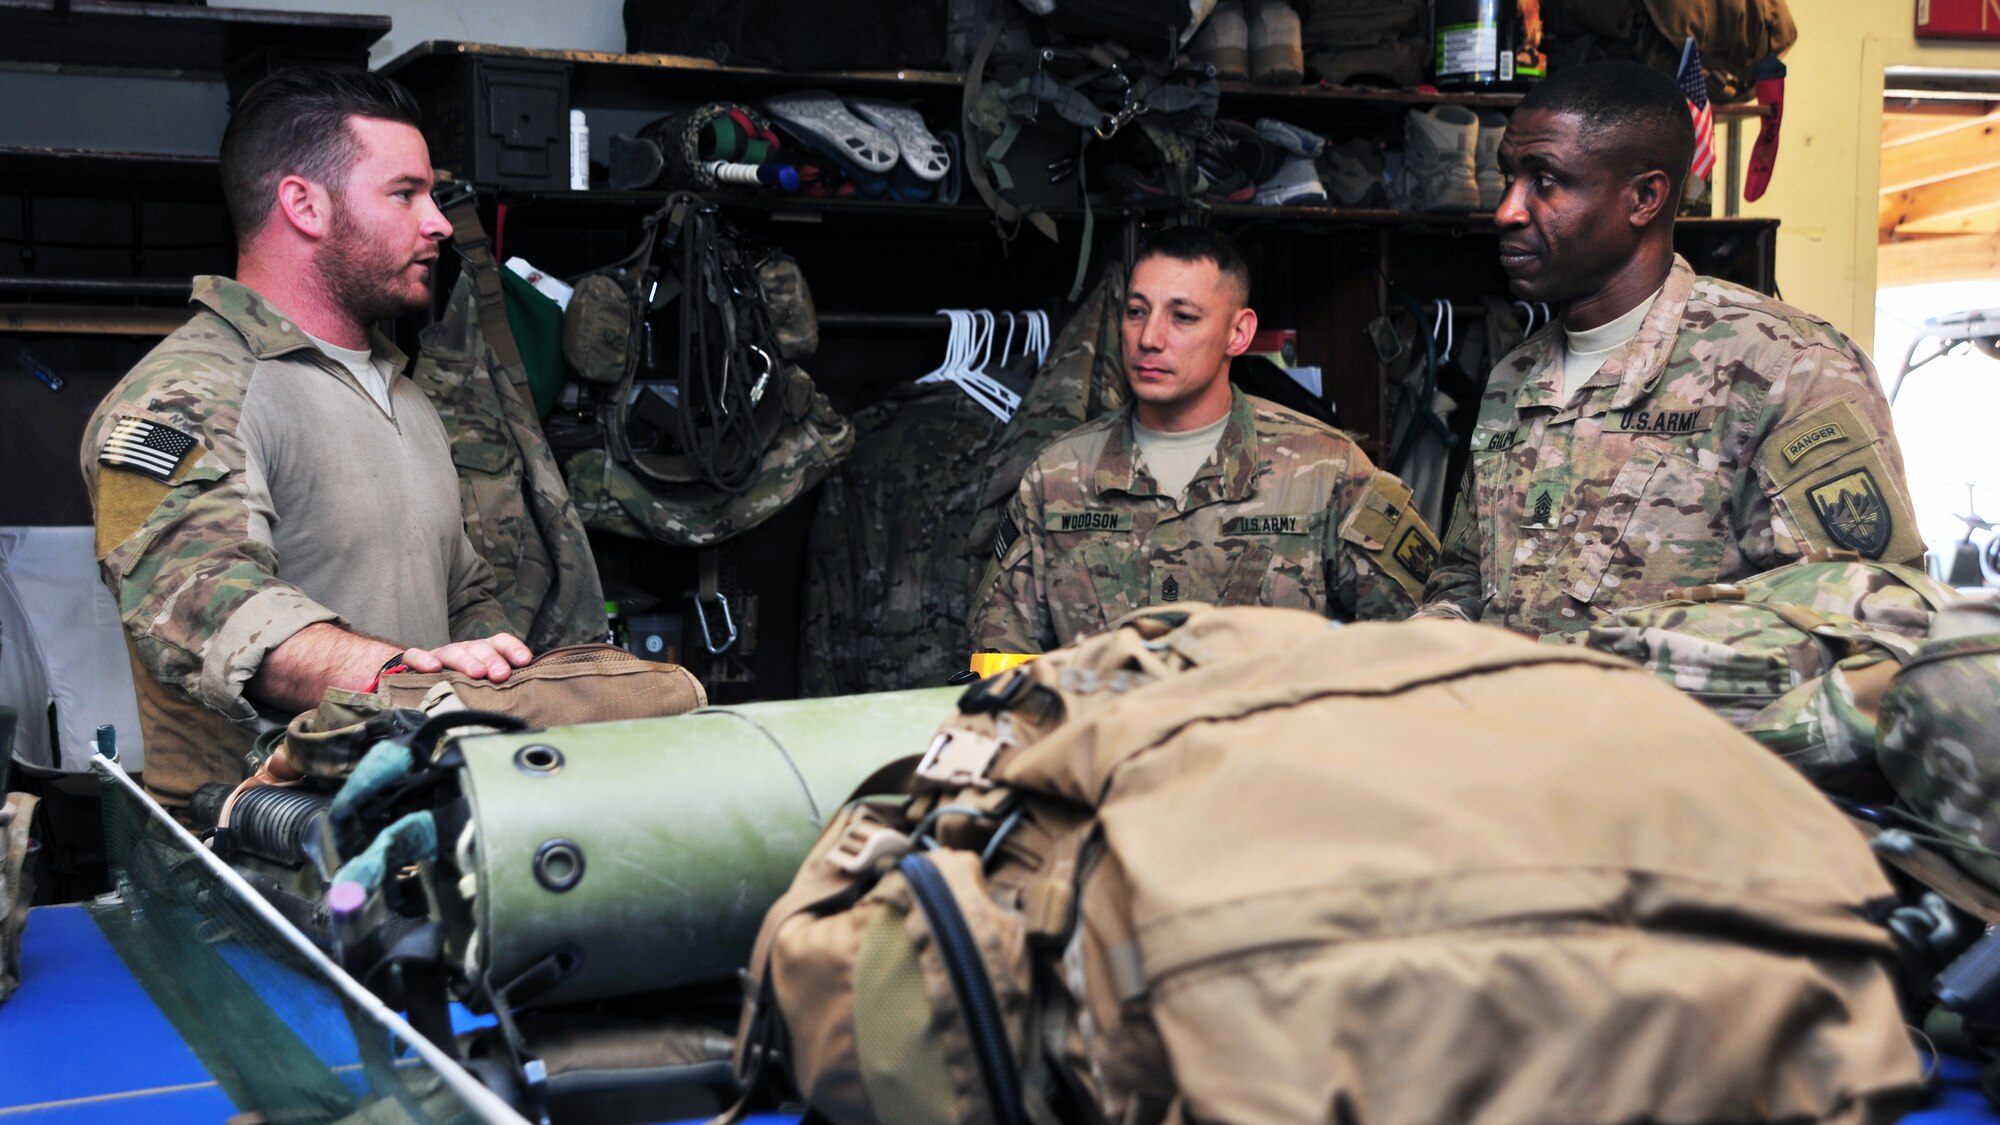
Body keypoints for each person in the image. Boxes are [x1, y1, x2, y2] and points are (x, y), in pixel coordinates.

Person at [79, 68, 532, 818]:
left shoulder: (404, 393)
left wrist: (514, 693)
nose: (441, 223)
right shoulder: (175, 398)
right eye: (404, 193)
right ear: (304, 205)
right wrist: (410, 681)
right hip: (250, 865)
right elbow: (201, 600)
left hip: (410, 832)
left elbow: (464, 596)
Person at [1420, 60, 1921, 639]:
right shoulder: (1517, 376)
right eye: (1510, 177)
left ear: (1645, 198)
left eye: (1546, 181)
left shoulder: (1784, 367)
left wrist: (1637, 679)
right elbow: (1464, 576)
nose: (1507, 209)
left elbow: (1876, 631)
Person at [971, 227, 1437, 654]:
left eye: (1183, 317)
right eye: (1136, 312)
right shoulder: (1057, 476)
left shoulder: (1327, 469)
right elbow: (999, 658)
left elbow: (1419, 644)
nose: (1149, 338)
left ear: (1238, 333)